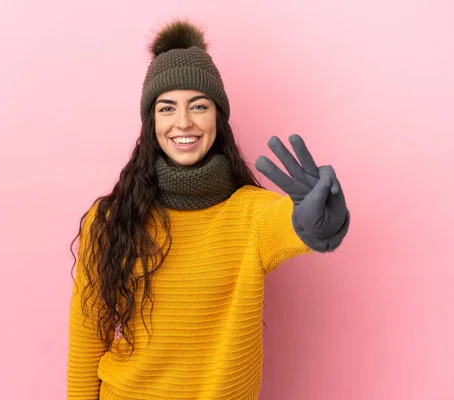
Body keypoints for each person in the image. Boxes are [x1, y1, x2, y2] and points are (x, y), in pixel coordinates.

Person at [67, 19, 350, 400]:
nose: (183, 122)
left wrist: (322, 225)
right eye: (167, 108)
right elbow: (87, 338)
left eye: (198, 106)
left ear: (218, 116)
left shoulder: (250, 214)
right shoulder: (110, 220)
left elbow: (291, 224)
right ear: (152, 123)